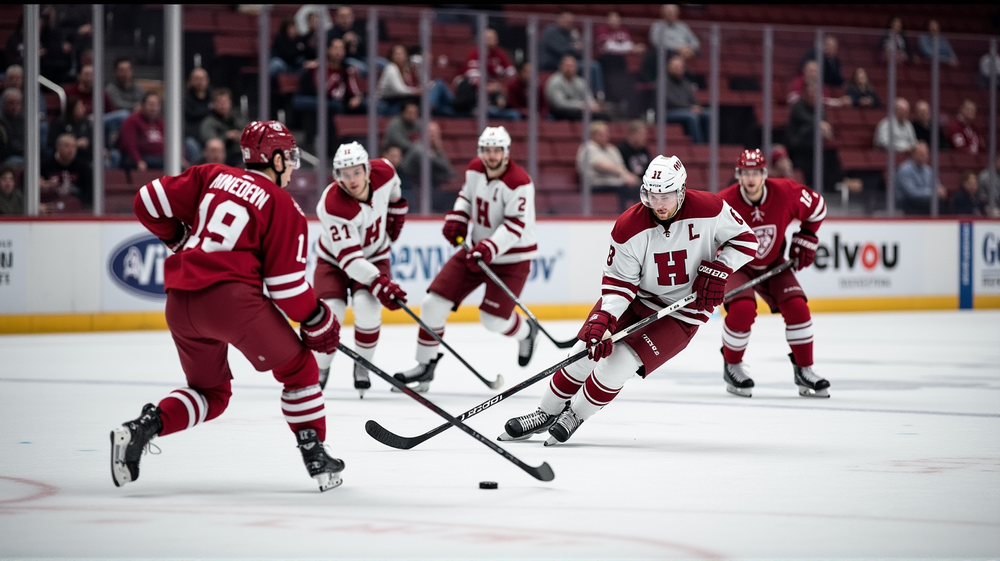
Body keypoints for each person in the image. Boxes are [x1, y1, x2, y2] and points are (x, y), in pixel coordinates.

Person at [112, 120, 345, 493]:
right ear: (278, 158)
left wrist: (178, 237)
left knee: (211, 393)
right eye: (291, 157)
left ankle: (142, 428)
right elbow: (286, 288)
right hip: (232, 304)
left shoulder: (211, 176)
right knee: (300, 369)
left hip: (180, 301)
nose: (293, 167)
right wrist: (318, 319)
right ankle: (316, 454)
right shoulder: (283, 205)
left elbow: (147, 201)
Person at [500, 154, 758, 445]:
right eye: (652, 195)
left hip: (683, 311)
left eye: (667, 196)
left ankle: (575, 414)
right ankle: (545, 412)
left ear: (682, 190)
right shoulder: (629, 226)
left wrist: (721, 267)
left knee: (619, 363)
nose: (659, 204)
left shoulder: (711, 209)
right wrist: (605, 318)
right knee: (584, 350)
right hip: (635, 298)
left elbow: (747, 241)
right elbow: (619, 283)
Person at [394, 126, 539, 392]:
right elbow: (467, 197)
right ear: (480, 151)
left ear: (507, 153)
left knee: (493, 321)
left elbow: (514, 226)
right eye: (487, 150)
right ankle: (425, 367)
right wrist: (459, 216)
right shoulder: (474, 168)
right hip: (475, 251)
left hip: (511, 258)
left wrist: (488, 247)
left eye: (497, 151)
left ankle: (527, 332)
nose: (491, 156)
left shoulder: (519, 182)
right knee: (432, 304)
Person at [717, 149, 830, 399]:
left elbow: (818, 206)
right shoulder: (723, 203)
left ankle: (804, 369)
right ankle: (732, 365)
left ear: (764, 174)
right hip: (737, 265)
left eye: (755, 172)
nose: (750, 178)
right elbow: (704, 238)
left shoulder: (786, 192)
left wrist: (807, 236)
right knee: (742, 309)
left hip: (773, 263)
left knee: (798, 307)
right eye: (745, 173)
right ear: (738, 175)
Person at [313, 141, 408, 396]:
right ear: (337, 176)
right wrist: (380, 282)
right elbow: (351, 262)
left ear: (367, 169)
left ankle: (362, 365)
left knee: (368, 308)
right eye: (345, 174)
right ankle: (320, 367)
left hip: (375, 255)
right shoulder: (333, 204)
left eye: (356, 171)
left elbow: (395, 190)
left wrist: (397, 209)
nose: (352, 179)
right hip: (334, 262)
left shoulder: (385, 172)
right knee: (331, 311)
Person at [452, 28, 520, 120]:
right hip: (473, 94)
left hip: (492, 94)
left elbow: (512, 74)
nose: (491, 40)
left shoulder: (499, 54)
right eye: (488, 38)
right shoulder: (475, 53)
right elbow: (472, 77)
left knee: (513, 114)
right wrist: (487, 87)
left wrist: (498, 85)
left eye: (493, 38)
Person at [577, 121, 640, 213]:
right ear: (594, 135)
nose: (606, 136)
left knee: (639, 185)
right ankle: (624, 213)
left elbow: (621, 166)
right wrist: (623, 174)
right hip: (596, 182)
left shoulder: (612, 149)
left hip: (615, 181)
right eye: (602, 134)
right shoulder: (588, 147)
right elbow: (600, 165)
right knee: (624, 187)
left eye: (606, 133)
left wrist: (628, 176)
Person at [539, 10, 605, 98]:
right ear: (559, 19)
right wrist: (574, 47)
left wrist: (578, 43)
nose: (568, 22)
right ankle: (594, 95)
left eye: (570, 21)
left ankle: (598, 94)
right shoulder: (551, 31)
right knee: (591, 67)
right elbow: (560, 49)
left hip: (569, 62)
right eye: (566, 19)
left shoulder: (571, 33)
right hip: (553, 62)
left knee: (594, 65)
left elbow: (578, 53)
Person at [39, 133, 93, 213]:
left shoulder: (83, 167)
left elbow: (89, 192)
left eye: (74, 146)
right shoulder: (44, 165)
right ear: (57, 147)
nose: (71, 150)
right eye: (67, 146)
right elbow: (26, 182)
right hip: (49, 211)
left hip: (76, 212)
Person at [545, 55, 608, 121]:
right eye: (567, 66)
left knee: (604, 116)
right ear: (561, 67)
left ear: (576, 68)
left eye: (571, 66)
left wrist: (592, 105)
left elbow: (588, 98)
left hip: (580, 110)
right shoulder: (555, 81)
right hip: (561, 112)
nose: (569, 69)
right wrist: (580, 105)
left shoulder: (581, 82)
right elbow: (560, 103)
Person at [665, 55, 710, 144]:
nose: (677, 69)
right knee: (692, 116)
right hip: (669, 112)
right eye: (675, 66)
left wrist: (698, 107)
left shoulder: (685, 83)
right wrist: (689, 108)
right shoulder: (663, 82)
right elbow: (670, 101)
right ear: (669, 68)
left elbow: (692, 99)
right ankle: (699, 146)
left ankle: (710, 145)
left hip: (686, 110)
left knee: (709, 114)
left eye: (679, 67)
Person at [199, 88, 248, 168]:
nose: (223, 105)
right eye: (220, 102)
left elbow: (246, 132)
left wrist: (239, 136)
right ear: (213, 104)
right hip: (221, 159)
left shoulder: (237, 119)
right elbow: (211, 143)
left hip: (239, 156)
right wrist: (226, 137)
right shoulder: (209, 122)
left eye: (225, 102)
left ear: (230, 103)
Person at [895, 141, 947, 215]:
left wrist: (940, 190)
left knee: (941, 203)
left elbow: (936, 185)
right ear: (913, 154)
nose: (924, 156)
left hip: (924, 201)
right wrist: (933, 192)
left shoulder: (928, 170)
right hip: (907, 203)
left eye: (926, 154)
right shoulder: (904, 169)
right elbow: (911, 193)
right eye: (921, 154)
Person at [117, 92, 165, 171]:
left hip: (160, 159)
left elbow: (169, 143)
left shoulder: (161, 123)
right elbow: (129, 144)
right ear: (143, 105)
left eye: (157, 105)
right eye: (151, 105)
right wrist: (139, 161)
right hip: (139, 159)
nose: (154, 109)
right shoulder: (132, 120)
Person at [47, 96, 94, 162]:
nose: (83, 109)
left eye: (82, 107)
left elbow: (93, 140)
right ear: (72, 108)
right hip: (65, 158)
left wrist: (87, 142)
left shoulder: (86, 123)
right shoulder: (60, 123)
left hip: (85, 157)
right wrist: (74, 144)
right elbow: (52, 142)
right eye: (79, 107)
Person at [183, 68, 212, 165]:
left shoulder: (213, 98)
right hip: (192, 137)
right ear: (190, 81)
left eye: (202, 79)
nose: (200, 82)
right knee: (190, 143)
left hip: (209, 136)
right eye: (196, 79)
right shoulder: (184, 99)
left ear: (207, 80)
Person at [0, 88, 25, 166]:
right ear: (4, 104)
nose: (14, 106)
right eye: (11, 103)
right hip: (7, 156)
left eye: (17, 103)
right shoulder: (1, 121)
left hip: (24, 153)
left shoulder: (25, 119)